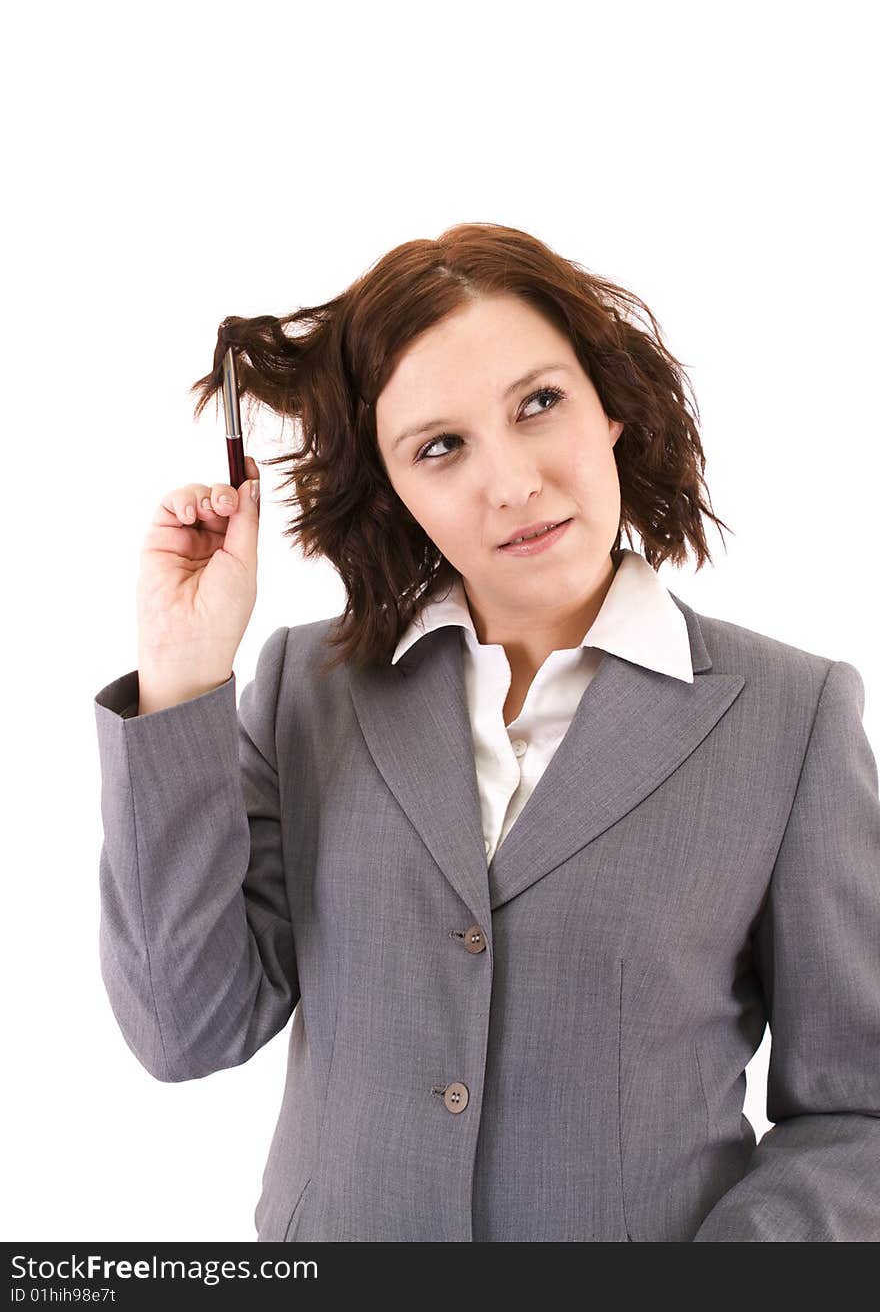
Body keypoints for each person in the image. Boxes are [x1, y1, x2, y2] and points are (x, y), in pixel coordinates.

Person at [93, 222, 880, 1241]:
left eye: (539, 403)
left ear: (611, 409)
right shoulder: (308, 688)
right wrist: (182, 673)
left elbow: (858, 1107)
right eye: (440, 447)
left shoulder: (790, 714)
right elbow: (181, 1027)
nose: (510, 483)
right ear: (395, 491)